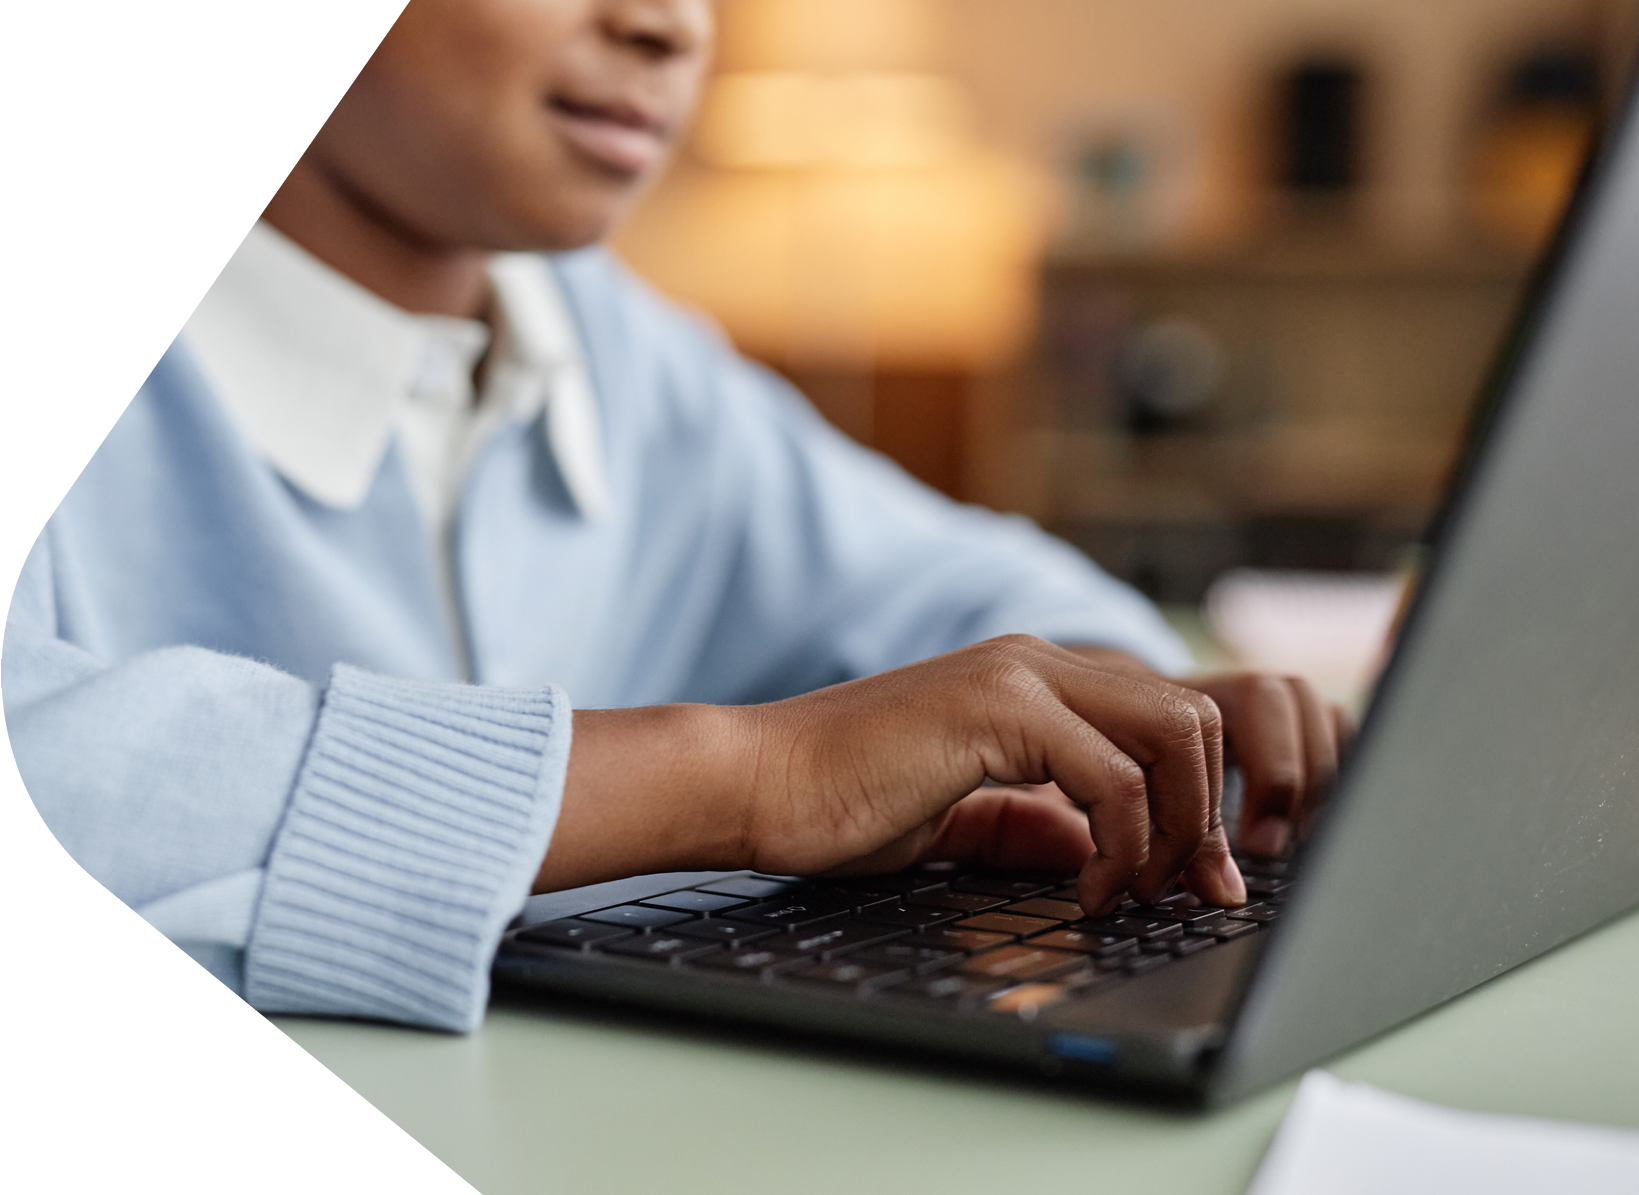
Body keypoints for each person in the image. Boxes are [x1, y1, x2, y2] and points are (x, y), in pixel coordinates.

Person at [2, 0, 1343, 1032]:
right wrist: (748, 775)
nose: (670, 26)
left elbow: (969, 598)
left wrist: (1130, 709)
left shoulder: (615, 347)